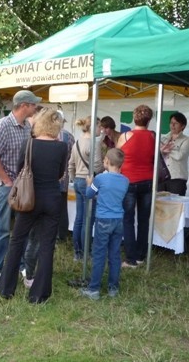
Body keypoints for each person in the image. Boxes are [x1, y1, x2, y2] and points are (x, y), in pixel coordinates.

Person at [0, 108, 67, 304]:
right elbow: (60, 173)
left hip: (30, 198)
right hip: (52, 198)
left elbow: (20, 170)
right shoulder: (62, 147)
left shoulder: (28, 144)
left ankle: (5, 288)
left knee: (17, 240)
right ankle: (39, 294)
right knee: (47, 245)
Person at [0, 90, 41, 284]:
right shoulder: (3, 125)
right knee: (1, 228)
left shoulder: (27, 126)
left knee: (22, 228)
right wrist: (7, 181)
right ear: (24, 105)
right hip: (7, 187)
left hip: (23, 186)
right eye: (34, 104)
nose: (36, 107)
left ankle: (21, 265)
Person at [80, 148, 129, 300]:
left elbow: (89, 195)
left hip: (103, 219)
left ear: (107, 161)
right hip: (118, 220)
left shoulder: (100, 178)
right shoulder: (125, 181)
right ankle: (113, 288)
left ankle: (94, 289)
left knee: (99, 254)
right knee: (114, 255)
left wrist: (90, 184)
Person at [117, 105, 155, 268]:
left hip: (129, 181)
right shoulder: (153, 136)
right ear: (149, 119)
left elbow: (116, 156)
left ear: (134, 118)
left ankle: (130, 258)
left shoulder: (125, 136)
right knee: (144, 220)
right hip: (147, 181)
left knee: (128, 220)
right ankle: (140, 256)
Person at [68, 116, 103, 261]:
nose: (101, 130)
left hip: (77, 180)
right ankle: (85, 252)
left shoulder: (76, 142)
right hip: (89, 182)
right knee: (88, 220)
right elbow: (98, 166)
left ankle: (78, 252)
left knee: (79, 219)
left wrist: (74, 177)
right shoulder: (93, 144)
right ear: (93, 127)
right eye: (100, 126)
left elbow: (71, 164)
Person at [159, 112, 189, 195]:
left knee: (176, 205)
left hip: (177, 178)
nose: (172, 125)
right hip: (161, 177)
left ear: (183, 126)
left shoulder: (187, 140)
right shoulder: (163, 138)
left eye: (176, 123)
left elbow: (180, 156)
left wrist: (166, 150)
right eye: (171, 123)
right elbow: (156, 155)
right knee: (159, 205)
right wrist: (160, 151)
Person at [56, 111, 75, 241]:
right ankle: (61, 235)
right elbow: (71, 158)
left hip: (49, 178)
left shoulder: (47, 135)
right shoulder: (69, 136)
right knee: (62, 208)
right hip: (64, 177)